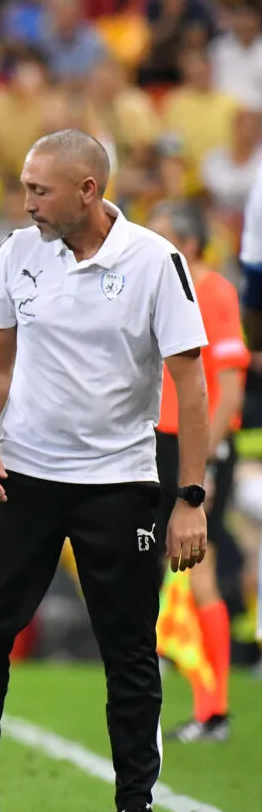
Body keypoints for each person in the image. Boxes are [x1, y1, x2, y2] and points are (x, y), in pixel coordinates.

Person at [0, 129, 209, 812]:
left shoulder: (154, 262)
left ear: (88, 192)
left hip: (120, 484)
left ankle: (136, 809)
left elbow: (191, 385)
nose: (27, 201)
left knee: (128, 647)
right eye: (25, 185)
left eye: (40, 189)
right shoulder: (18, 253)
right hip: (26, 478)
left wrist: (189, 498)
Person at [149, 202, 247, 743]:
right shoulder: (161, 293)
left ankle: (214, 709)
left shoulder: (213, 290)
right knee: (167, 569)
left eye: (162, 235)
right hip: (157, 443)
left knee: (198, 570)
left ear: (187, 241)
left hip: (194, 448)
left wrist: (203, 458)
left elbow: (230, 382)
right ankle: (188, 691)